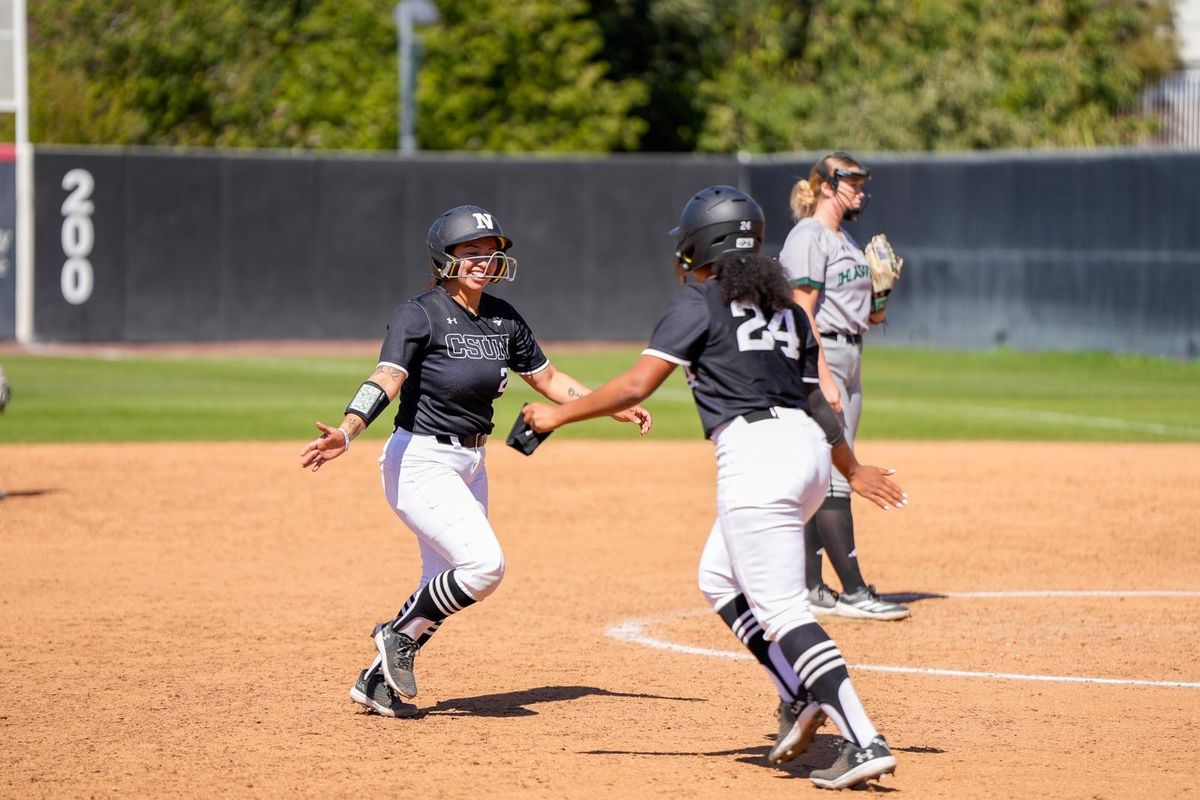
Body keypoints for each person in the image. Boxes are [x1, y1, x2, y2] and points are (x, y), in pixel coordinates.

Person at [522, 186, 905, 790]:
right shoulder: (786, 309)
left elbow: (636, 385)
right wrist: (850, 469)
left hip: (757, 458)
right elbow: (816, 401)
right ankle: (797, 692)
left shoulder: (700, 300)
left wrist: (556, 415)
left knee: (783, 611)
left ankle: (862, 739)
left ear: (700, 246)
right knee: (718, 577)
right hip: (807, 451)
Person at [299, 204, 651, 718]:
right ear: (444, 258)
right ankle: (394, 635)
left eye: (491, 252)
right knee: (483, 567)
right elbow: (387, 378)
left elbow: (549, 379)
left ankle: (375, 682)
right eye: (472, 251)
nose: (485, 261)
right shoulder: (419, 314)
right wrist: (349, 430)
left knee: (441, 582)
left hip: (471, 463)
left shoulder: (503, 318)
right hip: (420, 460)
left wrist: (607, 404)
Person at [779, 152, 911, 621]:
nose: (860, 190)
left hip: (851, 352)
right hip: (825, 354)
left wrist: (882, 293)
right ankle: (854, 591)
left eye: (861, 182)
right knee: (837, 469)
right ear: (826, 186)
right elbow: (801, 311)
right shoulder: (809, 236)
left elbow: (871, 317)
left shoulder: (846, 240)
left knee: (825, 468)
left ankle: (812, 588)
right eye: (852, 182)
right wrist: (822, 374)